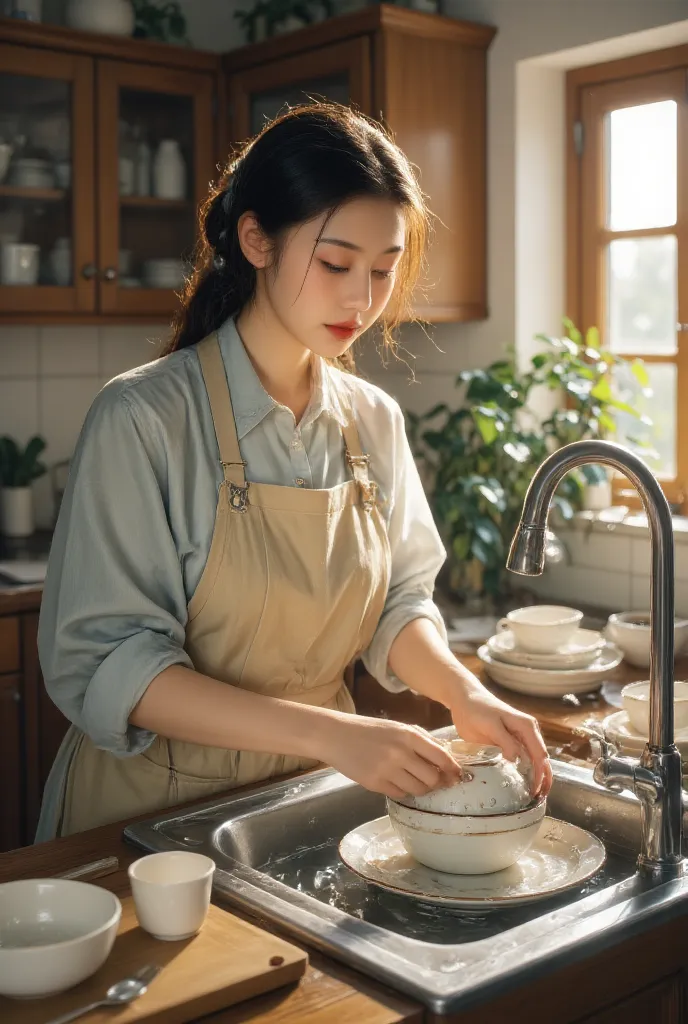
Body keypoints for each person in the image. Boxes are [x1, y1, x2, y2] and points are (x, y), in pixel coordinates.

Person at [35, 102, 552, 842]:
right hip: (149, 817)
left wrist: (462, 692)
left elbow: (397, 604)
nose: (361, 299)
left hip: (305, 802)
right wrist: (336, 735)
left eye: (383, 269)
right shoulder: (143, 418)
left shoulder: (372, 420)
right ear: (256, 240)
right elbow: (117, 665)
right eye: (337, 263)